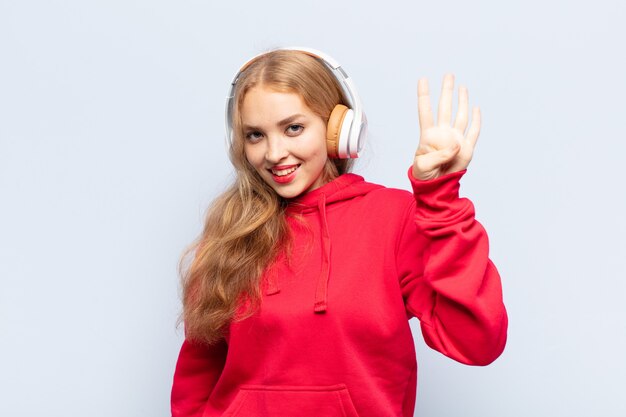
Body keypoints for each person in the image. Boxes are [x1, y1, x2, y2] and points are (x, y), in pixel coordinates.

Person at [171, 47, 508, 417]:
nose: (273, 152)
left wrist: (441, 200)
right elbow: (195, 381)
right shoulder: (229, 235)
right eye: (255, 135)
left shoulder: (393, 218)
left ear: (338, 129)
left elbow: (477, 341)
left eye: (293, 128)